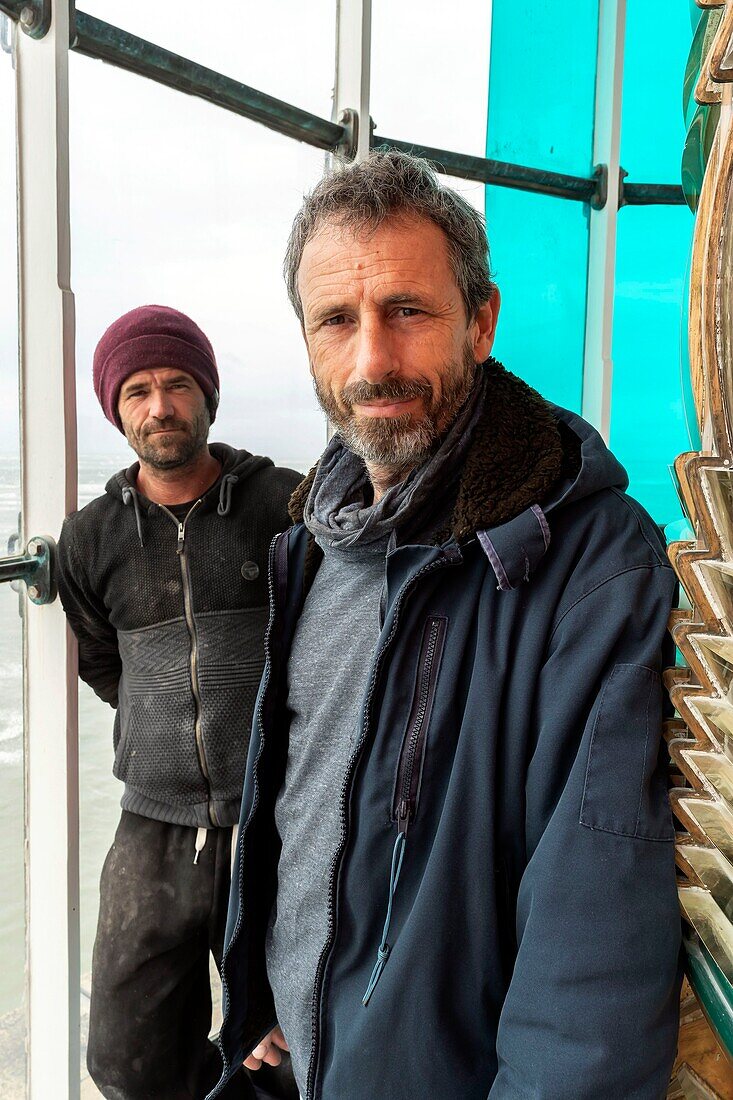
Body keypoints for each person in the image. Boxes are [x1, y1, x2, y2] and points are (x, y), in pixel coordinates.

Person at [210, 153, 682, 1100]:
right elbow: (306, 810)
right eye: (336, 321)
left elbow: (589, 967)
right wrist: (271, 990)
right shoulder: (313, 540)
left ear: (480, 322)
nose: (371, 361)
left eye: (408, 312)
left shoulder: (590, 566)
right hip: (304, 1060)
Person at [56, 304, 301, 1100]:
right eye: (136, 391)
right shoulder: (89, 541)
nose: (159, 406)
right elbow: (101, 660)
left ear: (208, 395)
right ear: (115, 409)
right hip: (153, 822)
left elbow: (327, 647)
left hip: (273, 815)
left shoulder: (283, 509)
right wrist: (160, 731)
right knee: (124, 1056)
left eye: (175, 384)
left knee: (287, 1038)